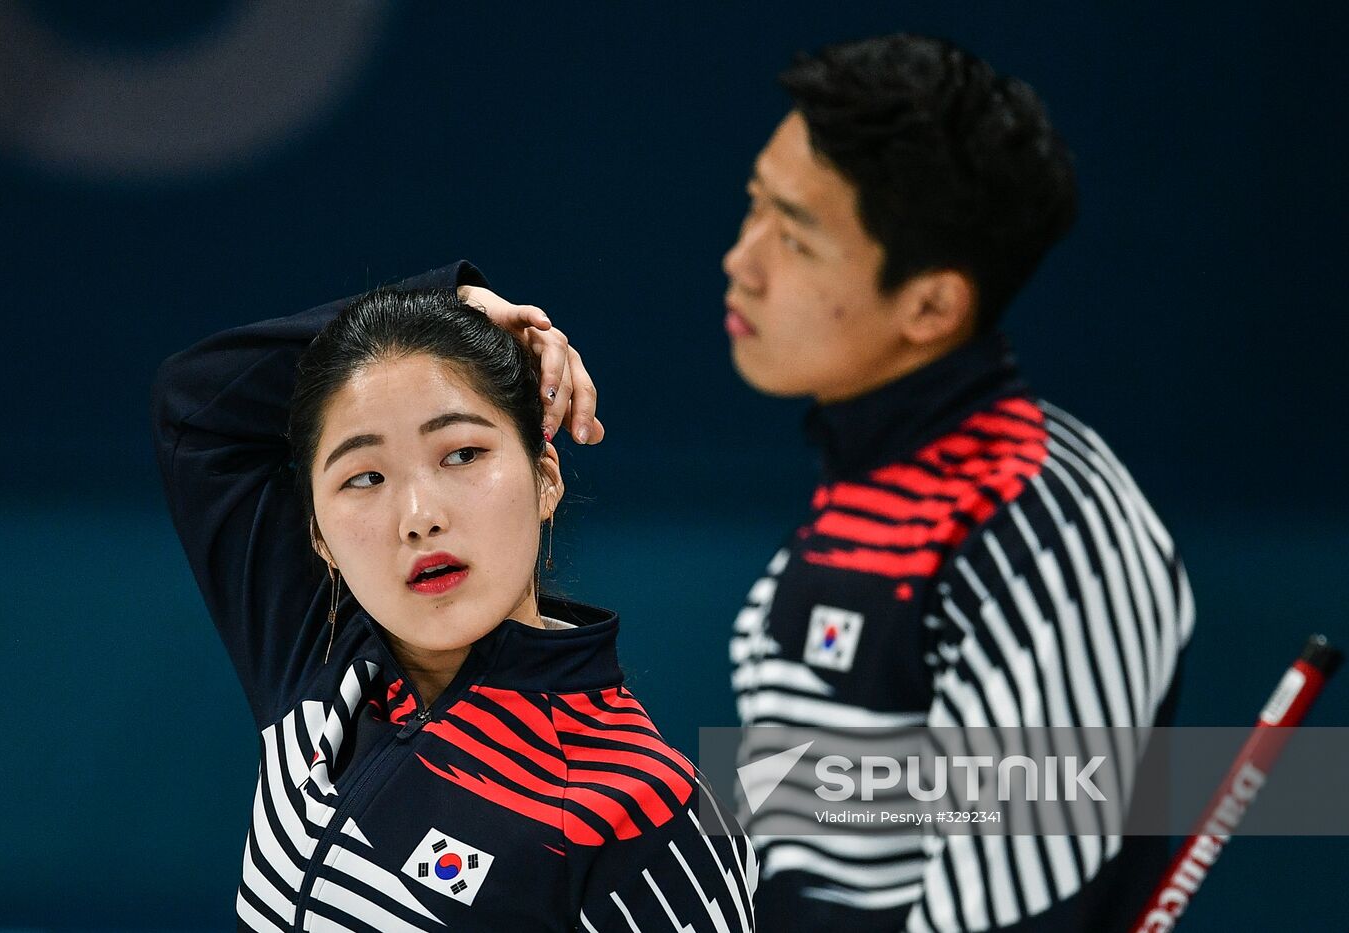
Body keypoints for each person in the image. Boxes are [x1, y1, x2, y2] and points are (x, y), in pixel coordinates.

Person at [722, 35, 1195, 931]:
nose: (741, 260)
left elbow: (1017, 907)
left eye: (794, 236)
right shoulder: (867, 479)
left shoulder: (1048, 531)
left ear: (932, 305)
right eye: (755, 205)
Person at [151, 264, 757, 932]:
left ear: (545, 476)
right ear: (318, 533)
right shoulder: (316, 655)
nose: (419, 516)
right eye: (366, 476)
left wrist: (447, 324)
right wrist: (453, 301)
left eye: (462, 454)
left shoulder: (646, 809)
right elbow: (196, 404)